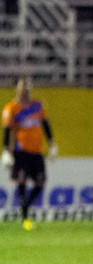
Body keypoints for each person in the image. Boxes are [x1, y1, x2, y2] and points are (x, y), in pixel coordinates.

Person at [1, 76, 58, 231]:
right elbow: (7, 130)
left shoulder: (37, 106)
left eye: (27, 89)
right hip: (20, 152)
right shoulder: (11, 108)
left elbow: (45, 124)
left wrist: (51, 144)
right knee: (21, 181)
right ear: (17, 90)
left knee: (40, 182)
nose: (25, 92)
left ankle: (25, 205)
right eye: (22, 89)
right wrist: (6, 150)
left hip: (36, 151)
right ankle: (25, 218)